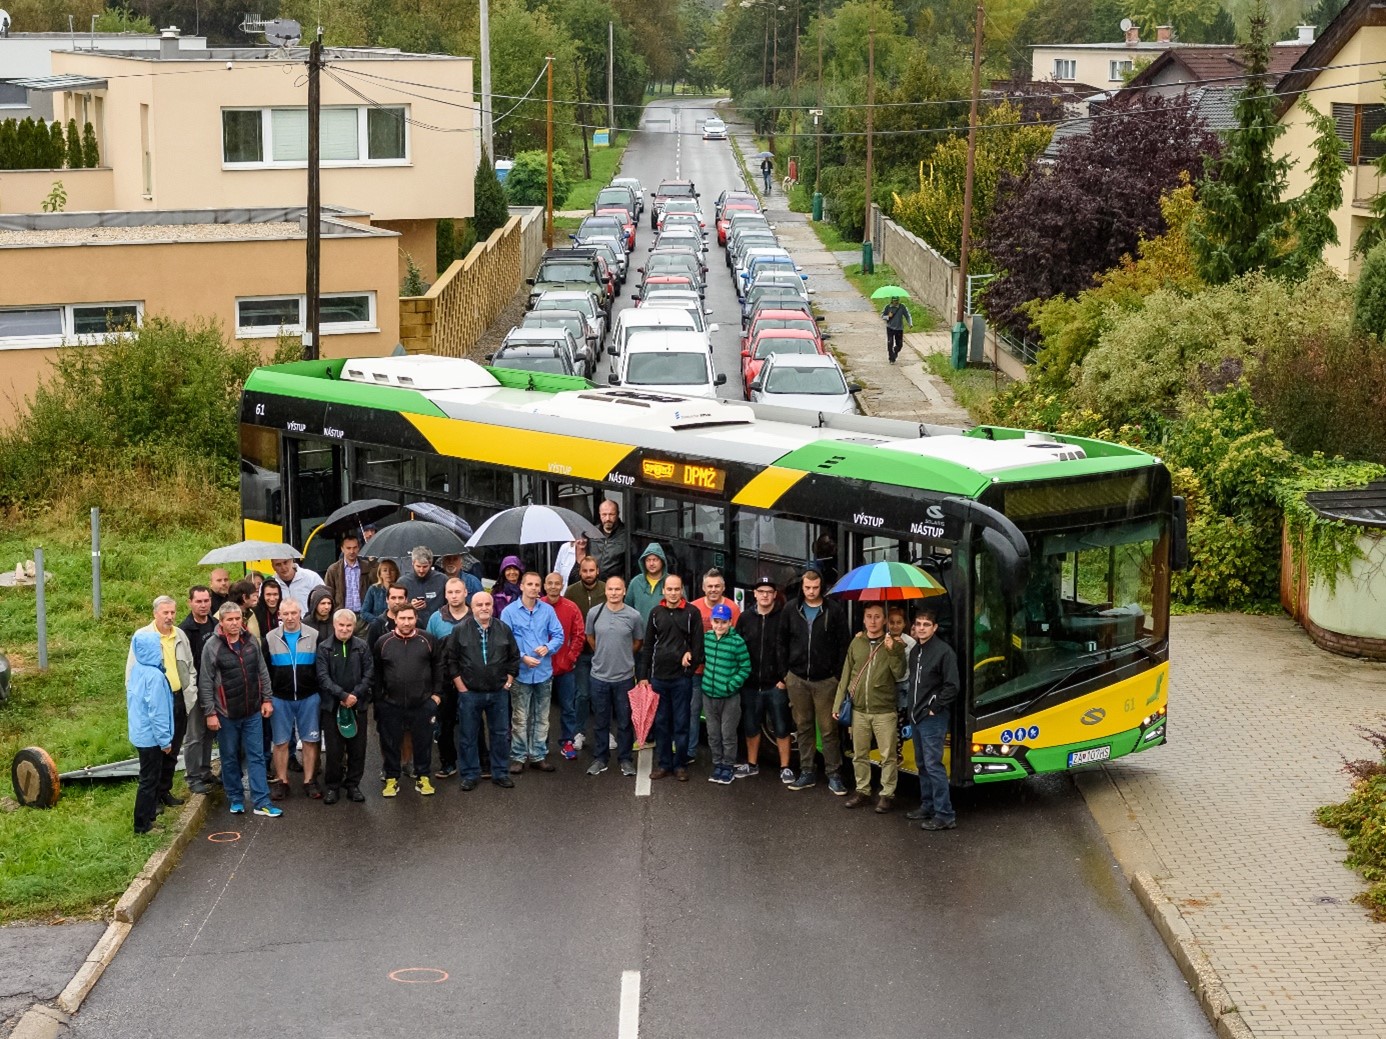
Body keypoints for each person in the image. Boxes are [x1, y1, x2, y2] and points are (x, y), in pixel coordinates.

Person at [198, 603, 280, 817]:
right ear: (222, 622)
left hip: (252, 711)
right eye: (230, 620)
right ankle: (235, 798)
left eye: (237, 619)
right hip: (226, 714)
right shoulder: (212, 646)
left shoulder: (251, 640)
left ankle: (261, 800)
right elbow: (205, 682)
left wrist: (267, 700)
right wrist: (210, 713)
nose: (235, 623)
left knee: (257, 756)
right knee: (230, 756)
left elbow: (262, 671)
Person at [781, 566, 851, 794]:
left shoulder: (835, 610)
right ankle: (807, 772)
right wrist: (785, 673)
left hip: (826, 681)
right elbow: (781, 642)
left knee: (829, 729)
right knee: (803, 727)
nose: (811, 591)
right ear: (802, 587)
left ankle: (834, 774)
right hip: (797, 679)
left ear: (822, 587)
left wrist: (838, 676)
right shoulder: (791, 609)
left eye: (815, 587)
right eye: (807, 587)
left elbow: (844, 645)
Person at [441, 591, 520, 791]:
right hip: (470, 693)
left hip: (498, 693)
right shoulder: (460, 630)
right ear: (472, 607)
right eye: (479, 605)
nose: (484, 608)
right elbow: (451, 660)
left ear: (492, 606)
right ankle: (469, 774)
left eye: (487, 604)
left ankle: (501, 772)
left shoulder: (503, 629)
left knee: (501, 734)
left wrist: (508, 682)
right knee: (468, 735)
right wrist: (461, 687)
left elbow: (514, 658)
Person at [834, 602, 907, 813]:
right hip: (859, 710)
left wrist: (893, 652)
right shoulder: (856, 643)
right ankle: (863, 790)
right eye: (869, 616)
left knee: (888, 756)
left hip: (884, 710)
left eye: (877, 617)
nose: (873, 621)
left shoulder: (894, 644)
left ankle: (886, 794)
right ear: (864, 619)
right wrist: (838, 702)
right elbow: (846, 674)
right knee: (860, 753)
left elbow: (899, 673)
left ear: (884, 620)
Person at [125, 595, 195, 811]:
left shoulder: (180, 635)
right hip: (155, 703)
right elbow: (131, 673)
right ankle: (152, 799)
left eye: (172, 612)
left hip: (178, 698)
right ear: (155, 613)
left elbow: (190, 666)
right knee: (155, 753)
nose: (170, 617)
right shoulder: (143, 637)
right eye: (165, 613)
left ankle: (165, 790)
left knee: (173, 750)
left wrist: (190, 690)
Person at [639, 574, 704, 781]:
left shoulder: (692, 613)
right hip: (658, 678)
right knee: (661, 723)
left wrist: (689, 668)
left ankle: (680, 765)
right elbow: (648, 645)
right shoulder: (656, 612)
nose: (673, 593)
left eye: (677, 589)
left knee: (682, 723)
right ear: (663, 591)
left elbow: (698, 648)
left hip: (682, 680)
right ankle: (664, 764)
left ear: (682, 590)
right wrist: (644, 676)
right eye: (670, 589)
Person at [373, 605, 440, 797]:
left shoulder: (427, 639)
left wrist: (436, 696)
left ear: (416, 618)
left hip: (422, 703)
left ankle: (423, 777)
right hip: (390, 704)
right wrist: (379, 700)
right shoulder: (383, 642)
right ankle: (392, 778)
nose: (406, 622)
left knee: (423, 741)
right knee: (390, 742)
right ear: (395, 619)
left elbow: (438, 667)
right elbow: (376, 673)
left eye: (410, 618)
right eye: (402, 618)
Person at [501, 572, 565, 772]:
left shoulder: (547, 610)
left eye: (537, 584)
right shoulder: (509, 612)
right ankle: (519, 757)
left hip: (544, 672)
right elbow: (505, 641)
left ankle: (538, 755)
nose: (534, 588)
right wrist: (522, 656)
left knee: (542, 717)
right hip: (521, 673)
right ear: (521, 586)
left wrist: (548, 647)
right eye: (530, 584)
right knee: (520, 718)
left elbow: (558, 635)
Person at [904, 609, 959, 831]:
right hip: (916, 716)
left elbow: (952, 686)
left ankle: (945, 814)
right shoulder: (916, 650)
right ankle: (927, 805)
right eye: (918, 624)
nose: (922, 628)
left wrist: (934, 708)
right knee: (922, 764)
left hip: (932, 718)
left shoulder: (944, 652)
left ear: (935, 627)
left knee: (933, 765)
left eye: (927, 624)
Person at [735, 575, 793, 783]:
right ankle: (752, 764)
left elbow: (790, 648)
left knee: (781, 726)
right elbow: (736, 647)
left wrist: (784, 678)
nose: (765, 595)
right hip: (750, 684)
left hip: (776, 684)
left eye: (769, 592)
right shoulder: (745, 618)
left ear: (775, 595)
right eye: (761, 592)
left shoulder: (783, 617)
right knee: (751, 726)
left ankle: (785, 767)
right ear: (755, 594)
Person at [584, 576, 643, 777]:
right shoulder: (594, 613)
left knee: (625, 722)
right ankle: (600, 758)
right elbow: (590, 637)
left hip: (624, 678)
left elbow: (637, 642)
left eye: (618, 589)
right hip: (599, 677)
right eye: (611, 589)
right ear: (606, 591)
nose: (614, 593)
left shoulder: (634, 616)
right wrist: (602, 654)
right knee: (601, 721)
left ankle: (625, 759)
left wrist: (624, 657)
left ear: (624, 591)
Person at [264, 599, 322, 800]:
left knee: (310, 740)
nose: (290, 618)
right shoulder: (270, 638)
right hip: (280, 697)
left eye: (293, 613)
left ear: (300, 613)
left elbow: (320, 668)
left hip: (309, 696)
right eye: (285, 614)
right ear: (279, 615)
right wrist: (267, 698)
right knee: (280, 742)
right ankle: (282, 782)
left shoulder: (314, 635)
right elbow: (265, 671)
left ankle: (309, 781)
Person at [316, 608, 373, 804]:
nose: (345, 629)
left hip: (358, 705)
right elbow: (323, 677)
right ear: (334, 625)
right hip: (333, 706)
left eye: (349, 625)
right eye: (341, 625)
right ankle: (333, 786)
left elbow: (369, 674)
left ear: (354, 626)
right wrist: (341, 695)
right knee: (334, 750)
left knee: (358, 748)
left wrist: (355, 695)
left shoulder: (362, 647)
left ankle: (353, 784)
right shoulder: (324, 648)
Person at [127, 630, 175, 834]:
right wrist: (165, 741)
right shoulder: (155, 676)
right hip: (151, 738)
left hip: (140, 733)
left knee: (147, 778)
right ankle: (142, 825)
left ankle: (149, 818)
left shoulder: (138, 669)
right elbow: (158, 712)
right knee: (149, 781)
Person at [690, 568, 740, 759]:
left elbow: (736, 640)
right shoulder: (693, 607)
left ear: (724, 587)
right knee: (694, 712)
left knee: (725, 722)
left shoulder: (733, 608)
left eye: (717, 586)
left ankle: (724, 759)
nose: (713, 589)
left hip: (722, 673)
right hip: (698, 672)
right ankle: (690, 752)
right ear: (703, 587)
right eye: (709, 586)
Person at [426, 577, 471, 779]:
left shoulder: (474, 616)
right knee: (444, 725)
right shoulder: (436, 619)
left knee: (473, 724)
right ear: (445, 595)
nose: (454, 596)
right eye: (450, 592)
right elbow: (430, 651)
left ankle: (475, 763)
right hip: (444, 680)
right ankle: (448, 763)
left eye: (458, 592)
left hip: (471, 679)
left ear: (465, 593)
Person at [702, 603, 751, 786]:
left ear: (730, 622)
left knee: (728, 733)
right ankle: (717, 763)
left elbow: (745, 667)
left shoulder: (737, 642)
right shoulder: (706, 638)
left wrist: (732, 684)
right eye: (716, 621)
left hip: (729, 697)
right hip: (708, 694)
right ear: (712, 622)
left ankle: (728, 765)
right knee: (713, 733)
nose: (719, 625)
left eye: (723, 622)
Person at [179, 585, 218, 794]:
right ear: (190, 603)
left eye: (206, 601)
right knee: (194, 735)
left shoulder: (216, 625)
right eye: (198, 601)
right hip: (194, 689)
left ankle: (205, 770)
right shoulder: (184, 630)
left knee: (209, 733)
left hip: (214, 687)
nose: (203, 605)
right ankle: (192, 777)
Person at [544, 572, 587, 761]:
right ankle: (540, 745)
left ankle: (567, 741)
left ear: (562, 586)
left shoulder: (571, 607)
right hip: (541, 668)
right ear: (544, 586)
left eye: (557, 584)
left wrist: (571, 657)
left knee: (568, 707)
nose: (553, 587)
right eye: (550, 583)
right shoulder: (537, 606)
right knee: (541, 710)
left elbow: (579, 634)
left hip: (565, 667)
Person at [565, 555, 604, 754]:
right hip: (581, 654)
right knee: (582, 694)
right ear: (580, 572)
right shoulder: (571, 592)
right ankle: (579, 732)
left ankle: (604, 732)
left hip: (603, 653)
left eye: (592, 570)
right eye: (584, 571)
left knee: (602, 695)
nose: (588, 574)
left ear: (597, 571)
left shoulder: (606, 590)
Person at [324, 533, 374, 615]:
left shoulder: (367, 567)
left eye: (354, 548)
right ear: (342, 549)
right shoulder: (333, 570)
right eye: (348, 548)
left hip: (364, 615)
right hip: (342, 615)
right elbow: (328, 594)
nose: (352, 551)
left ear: (359, 548)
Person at [399, 546, 449, 624]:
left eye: (425, 567)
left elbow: (449, 605)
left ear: (430, 563)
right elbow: (395, 607)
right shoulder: (403, 582)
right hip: (412, 626)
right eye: (418, 566)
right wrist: (410, 606)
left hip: (438, 623)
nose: (421, 570)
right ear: (412, 563)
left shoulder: (442, 579)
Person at [626, 542, 669, 623]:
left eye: (655, 560)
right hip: (640, 633)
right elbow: (627, 609)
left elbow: (683, 607)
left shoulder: (671, 581)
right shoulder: (636, 582)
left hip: (665, 633)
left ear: (662, 561)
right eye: (648, 560)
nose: (651, 563)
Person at [593, 499, 629, 579]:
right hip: (594, 584)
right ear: (599, 514)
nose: (607, 518)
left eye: (611, 514)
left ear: (618, 514)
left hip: (615, 586)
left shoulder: (627, 535)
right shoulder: (592, 533)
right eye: (604, 514)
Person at [360, 558, 401, 626]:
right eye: (385, 570)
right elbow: (364, 612)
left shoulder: (401, 589)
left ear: (396, 572)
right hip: (378, 627)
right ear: (380, 574)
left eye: (392, 570)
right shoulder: (373, 589)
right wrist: (378, 621)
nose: (388, 573)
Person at [882, 297, 912, 365]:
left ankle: (895, 351)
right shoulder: (887, 307)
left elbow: (907, 315)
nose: (896, 302)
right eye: (894, 301)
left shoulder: (902, 307)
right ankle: (891, 358)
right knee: (890, 343)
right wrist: (888, 316)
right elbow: (882, 316)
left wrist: (910, 323)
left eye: (897, 301)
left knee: (900, 344)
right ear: (892, 301)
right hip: (890, 328)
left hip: (899, 328)